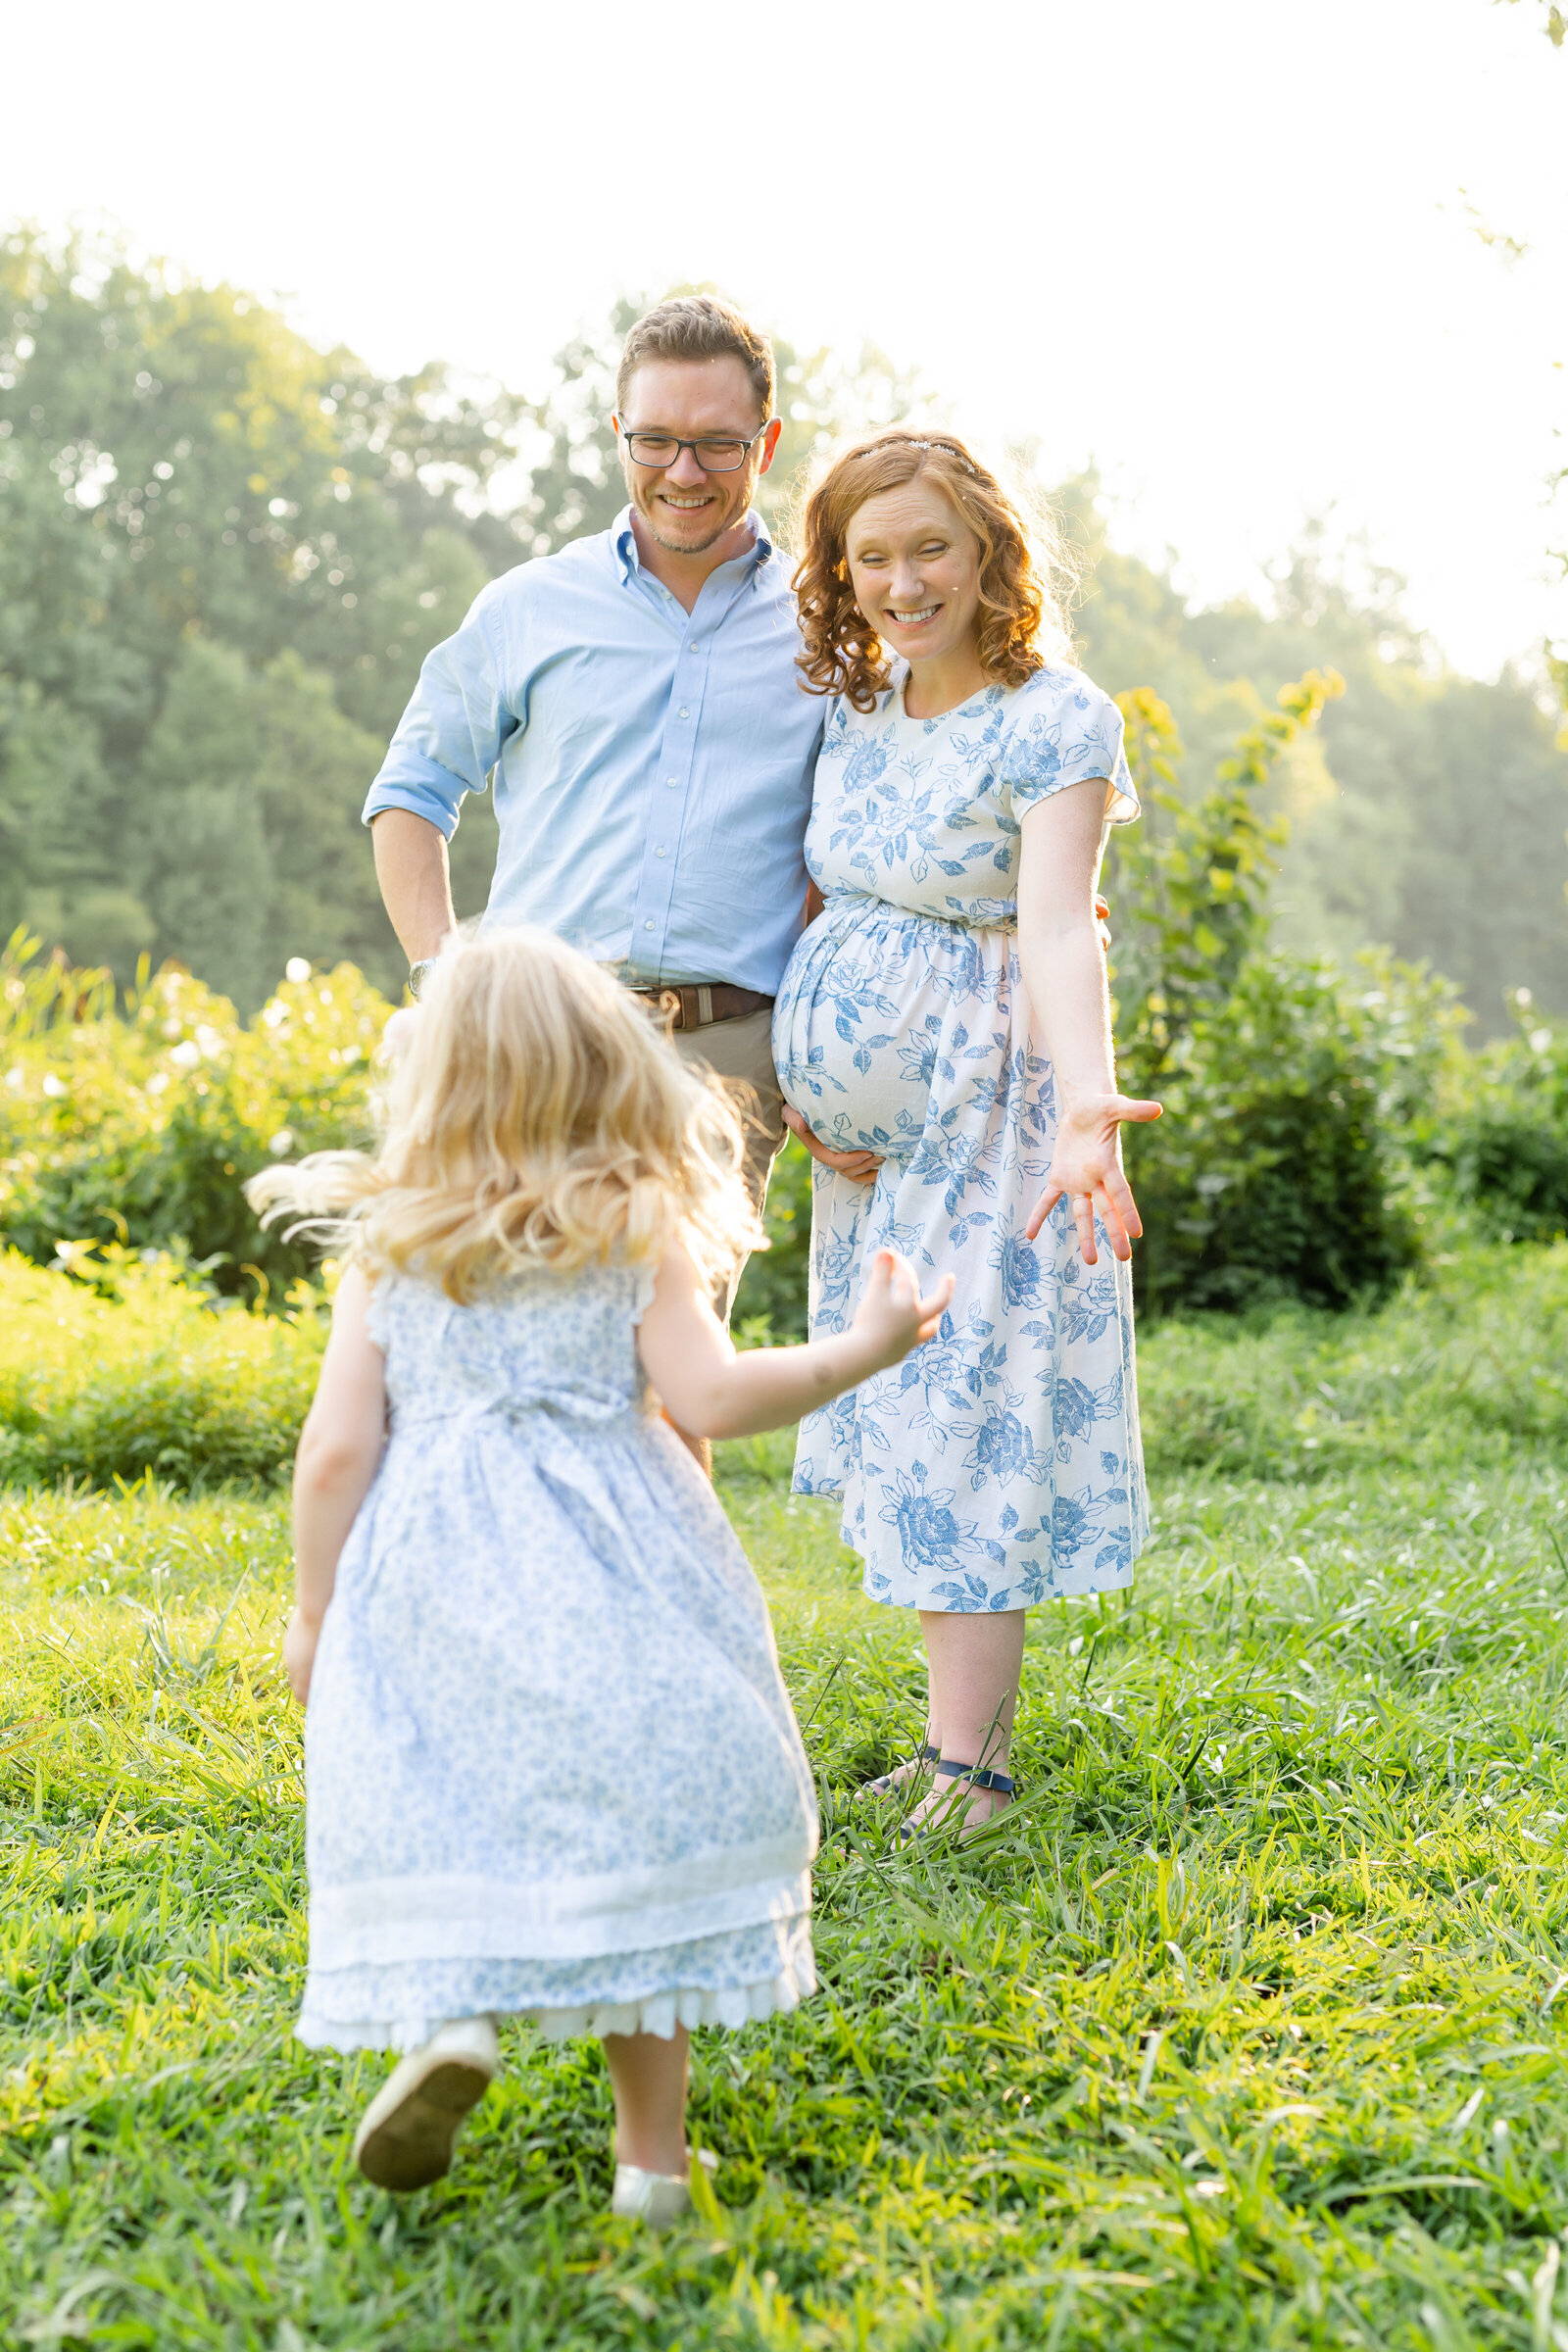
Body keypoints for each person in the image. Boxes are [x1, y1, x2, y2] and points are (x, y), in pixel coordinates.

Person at [249, 927, 950, 2222]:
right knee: (632, 1854)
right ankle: (652, 2172)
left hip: (432, 1572)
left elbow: (339, 1448)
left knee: (455, 1792)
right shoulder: (633, 1226)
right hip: (616, 1564)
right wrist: (864, 1348)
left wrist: (314, 1609)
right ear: (607, 1069)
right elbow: (715, 1396)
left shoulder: (395, 1249)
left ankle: (454, 2021)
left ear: (436, 1082)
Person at [361, 296, 880, 1355]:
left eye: (716, 444)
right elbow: (411, 791)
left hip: (730, 1056)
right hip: (533, 1046)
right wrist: (445, 980)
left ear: (765, 444)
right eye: (655, 440)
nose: (683, 471)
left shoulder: (831, 628)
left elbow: (864, 853)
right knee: (504, 1347)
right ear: (617, 436)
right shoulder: (527, 607)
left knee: (673, 1373)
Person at [772, 431, 1161, 1837]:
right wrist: (817, 1094)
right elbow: (826, 899)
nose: (899, 581)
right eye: (869, 556)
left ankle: (977, 1774)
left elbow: (1061, 925)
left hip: (993, 1113)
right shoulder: (857, 710)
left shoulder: (1058, 720)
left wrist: (1082, 1117)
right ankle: (948, 1748)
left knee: (965, 1412)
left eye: (927, 547)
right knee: (902, 1412)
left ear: (989, 549)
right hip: (877, 1150)